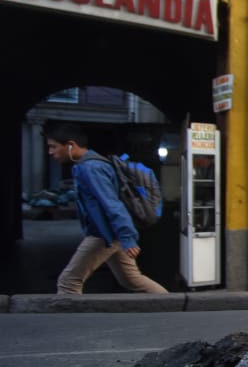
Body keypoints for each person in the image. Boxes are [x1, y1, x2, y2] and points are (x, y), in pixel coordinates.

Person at [44, 123, 168, 295]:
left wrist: (127, 236)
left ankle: (70, 321)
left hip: (104, 235)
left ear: (70, 145)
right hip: (111, 233)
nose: (50, 152)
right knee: (132, 279)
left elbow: (111, 204)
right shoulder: (88, 165)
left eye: (53, 146)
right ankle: (170, 306)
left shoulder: (91, 167)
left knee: (68, 281)